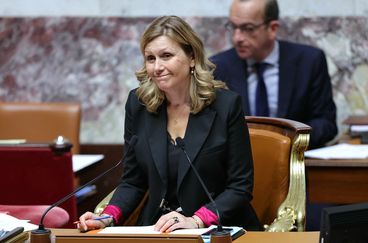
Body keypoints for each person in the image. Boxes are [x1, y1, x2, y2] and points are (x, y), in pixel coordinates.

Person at [77, 16, 262, 232]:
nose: (157, 67)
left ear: (192, 57)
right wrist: (107, 217)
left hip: (217, 229)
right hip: (158, 229)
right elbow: (133, 181)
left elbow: (240, 187)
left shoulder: (225, 106)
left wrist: (196, 220)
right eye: (150, 58)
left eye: (166, 56)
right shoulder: (139, 105)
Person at [211, 0, 338, 148]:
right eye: (233, 27)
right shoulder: (218, 66)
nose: (237, 38)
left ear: (272, 28)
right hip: (238, 166)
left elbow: (326, 124)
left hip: (293, 162)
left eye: (248, 28)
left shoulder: (309, 62)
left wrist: (282, 142)